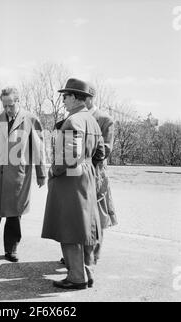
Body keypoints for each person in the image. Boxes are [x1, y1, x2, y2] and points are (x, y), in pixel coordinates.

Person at [0, 87, 46, 265]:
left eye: (11, 105)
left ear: (18, 101)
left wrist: (41, 173)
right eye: (4, 106)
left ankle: (10, 250)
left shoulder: (30, 119)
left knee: (14, 214)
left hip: (18, 175)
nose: (7, 109)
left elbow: (38, 148)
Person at [41, 78, 105, 290]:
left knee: (69, 228)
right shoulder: (92, 120)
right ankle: (87, 273)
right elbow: (101, 153)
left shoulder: (73, 121)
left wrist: (54, 170)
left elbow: (71, 155)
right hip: (86, 175)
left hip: (70, 179)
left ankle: (77, 277)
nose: (63, 100)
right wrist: (89, 168)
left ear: (77, 98)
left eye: (66, 96)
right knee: (84, 227)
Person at [85, 85, 118, 263]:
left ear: (90, 98)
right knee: (80, 214)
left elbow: (105, 148)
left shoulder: (105, 119)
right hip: (77, 174)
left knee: (98, 215)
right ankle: (78, 255)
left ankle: (93, 256)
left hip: (96, 174)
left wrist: (84, 160)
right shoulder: (74, 117)